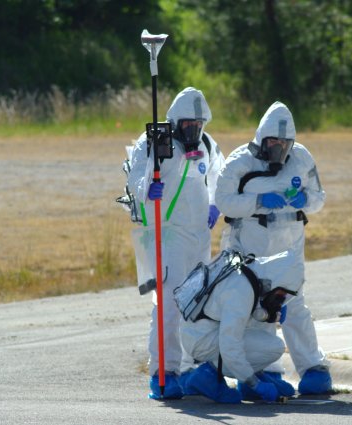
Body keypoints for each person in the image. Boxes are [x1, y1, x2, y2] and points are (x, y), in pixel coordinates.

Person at [214, 101, 331, 395]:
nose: (278, 146)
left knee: (295, 305)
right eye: (273, 141)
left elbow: (319, 197)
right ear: (261, 139)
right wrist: (258, 202)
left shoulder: (302, 158)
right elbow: (224, 201)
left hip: (290, 242)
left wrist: (305, 200)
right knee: (257, 307)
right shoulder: (240, 161)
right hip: (250, 244)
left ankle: (313, 368)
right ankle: (264, 371)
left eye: (284, 141)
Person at [127, 87, 225, 399]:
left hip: (199, 237)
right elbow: (136, 177)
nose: (194, 129)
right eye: (188, 124)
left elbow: (218, 173)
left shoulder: (207, 144)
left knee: (198, 304)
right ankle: (163, 372)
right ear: (175, 121)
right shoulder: (156, 142)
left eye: (198, 124)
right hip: (167, 237)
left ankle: (192, 368)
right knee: (168, 306)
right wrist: (147, 189)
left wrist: (214, 204)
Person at [178, 250, 304, 403]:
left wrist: (264, 314)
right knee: (273, 347)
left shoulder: (249, 272)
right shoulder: (240, 292)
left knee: (272, 346)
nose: (280, 300)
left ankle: (251, 374)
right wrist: (255, 385)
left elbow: (243, 312)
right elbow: (230, 345)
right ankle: (207, 375)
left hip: (202, 330)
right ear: (277, 281)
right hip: (201, 341)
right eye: (281, 294)